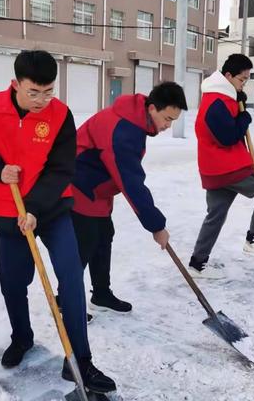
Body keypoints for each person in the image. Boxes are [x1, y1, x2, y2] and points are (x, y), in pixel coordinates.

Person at [0, 50, 116, 395]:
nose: (42, 100)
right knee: (13, 282)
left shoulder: (60, 115)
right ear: (16, 84)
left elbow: (62, 168)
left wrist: (33, 207)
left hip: (51, 209)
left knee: (71, 278)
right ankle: (22, 337)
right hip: (7, 210)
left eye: (48, 91)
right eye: (34, 92)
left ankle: (80, 359)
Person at [71, 82, 187, 313]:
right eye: (167, 118)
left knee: (104, 236)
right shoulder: (124, 131)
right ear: (152, 108)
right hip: (80, 184)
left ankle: (101, 293)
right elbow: (131, 183)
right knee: (86, 242)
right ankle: (66, 301)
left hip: (98, 185)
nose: (167, 125)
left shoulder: (136, 117)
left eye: (173, 120)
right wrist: (157, 226)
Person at [188, 53, 254, 279]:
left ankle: (197, 263)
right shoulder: (216, 102)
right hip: (227, 167)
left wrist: (239, 97)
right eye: (242, 79)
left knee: (216, 215)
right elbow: (228, 136)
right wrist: (244, 119)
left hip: (215, 169)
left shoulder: (224, 96)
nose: (243, 83)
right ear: (228, 75)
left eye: (247, 80)